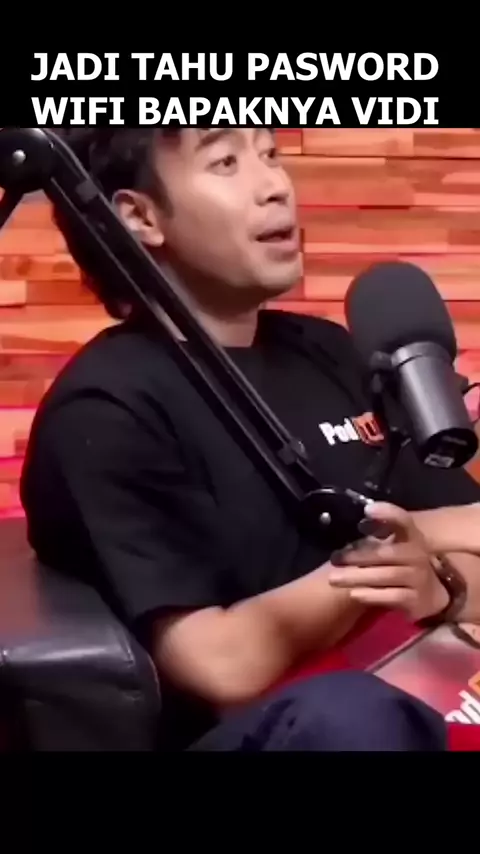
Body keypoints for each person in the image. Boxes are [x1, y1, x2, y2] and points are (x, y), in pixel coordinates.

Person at [20, 128, 480, 750]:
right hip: (266, 733)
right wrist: (376, 571)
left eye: (270, 156)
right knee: (348, 716)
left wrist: (439, 585)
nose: (275, 186)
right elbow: (220, 665)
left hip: (417, 701)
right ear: (140, 216)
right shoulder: (107, 411)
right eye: (226, 162)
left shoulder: (329, 351)